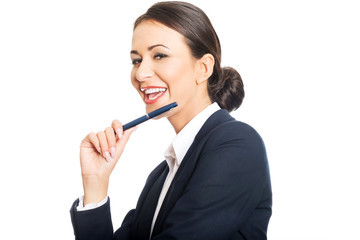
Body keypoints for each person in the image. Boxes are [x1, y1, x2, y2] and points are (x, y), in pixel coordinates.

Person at [70, 1, 272, 239]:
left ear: (204, 68)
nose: (141, 73)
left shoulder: (237, 143)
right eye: (136, 60)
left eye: (160, 55)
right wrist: (95, 183)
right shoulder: (160, 177)